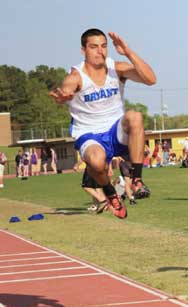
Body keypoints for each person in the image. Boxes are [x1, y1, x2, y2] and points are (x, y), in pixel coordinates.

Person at [50, 28, 156, 219]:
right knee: (97, 161)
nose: (100, 51)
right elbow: (67, 85)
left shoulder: (117, 68)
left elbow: (151, 79)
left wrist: (128, 52)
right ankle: (110, 193)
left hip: (116, 129)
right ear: (84, 51)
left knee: (135, 117)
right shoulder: (77, 76)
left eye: (104, 46)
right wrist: (64, 94)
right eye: (94, 47)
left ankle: (137, 179)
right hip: (89, 134)